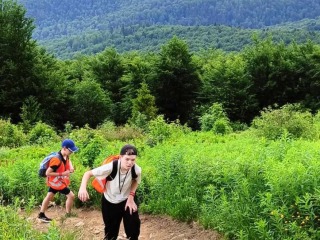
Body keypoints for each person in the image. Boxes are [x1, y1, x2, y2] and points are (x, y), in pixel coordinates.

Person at [78, 144, 142, 240]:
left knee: (134, 228)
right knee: (111, 234)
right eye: (127, 159)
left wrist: (131, 196)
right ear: (120, 157)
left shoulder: (136, 169)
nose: (130, 163)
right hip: (110, 201)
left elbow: (136, 180)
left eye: (133, 160)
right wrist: (83, 188)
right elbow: (88, 174)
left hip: (127, 199)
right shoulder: (111, 167)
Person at [38, 139, 79, 223]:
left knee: (49, 196)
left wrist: (70, 167)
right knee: (71, 196)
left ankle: (41, 215)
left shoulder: (65, 155)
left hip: (56, 182)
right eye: (70, 150)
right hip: (57, 183)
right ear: (64, 148)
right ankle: (68, 214)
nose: (72, 152)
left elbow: (68, 159)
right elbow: (48, 173)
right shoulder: (56, 159)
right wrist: (62, 174)